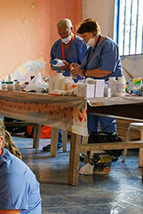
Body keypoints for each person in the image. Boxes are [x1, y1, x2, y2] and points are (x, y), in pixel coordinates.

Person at [70, 18, 124, 135]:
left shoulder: (108, 45)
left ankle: (108, 149)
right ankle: (89, 150)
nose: (83, 40)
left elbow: (106, 70)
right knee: (89, 122)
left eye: (85, 36)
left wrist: (83, 72)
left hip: (108, 91)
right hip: (93, 92)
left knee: (106, 121)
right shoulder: (90, 50)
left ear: (93, 33)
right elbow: (86, 70)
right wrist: (77, 70)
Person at [44, 18, 87, 152]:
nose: (63, 36)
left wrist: (71, 66)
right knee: (57, 112)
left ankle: (80, 145)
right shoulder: (56, 45)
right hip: (61, 83)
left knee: (78, 114)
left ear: (72, 29)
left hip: (76, 83)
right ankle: (57, 141)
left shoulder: (81, 44)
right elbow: (51, 65)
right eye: (60, 33)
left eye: (65, 32)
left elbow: (85, 66)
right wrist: (58, 64)